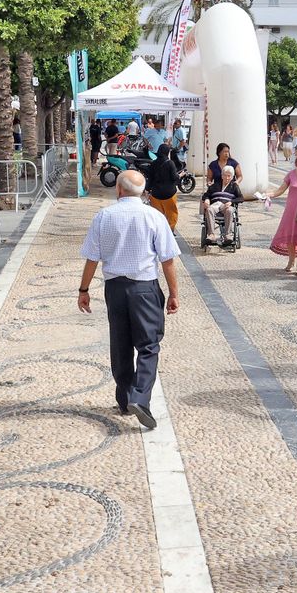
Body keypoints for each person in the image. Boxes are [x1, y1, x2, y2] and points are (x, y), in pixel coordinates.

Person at [79, 170, 181, 431]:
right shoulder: (154, 217)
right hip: (145, 287)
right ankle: (139, 397)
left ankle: (125, 401)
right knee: (148, 345)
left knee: (121, 344)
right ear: (143, 191)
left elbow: (92, 257)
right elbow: (167, 259)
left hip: (114, 288)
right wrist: (173, 293)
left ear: (119, 190)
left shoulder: (104, 216)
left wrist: (84, 289)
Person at [203, 165, 244, 248]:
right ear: (222, 176)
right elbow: (206, 195)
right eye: (225, 175)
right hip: (216, 205)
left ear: (232, 177)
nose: (227, 177)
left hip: (227, 206)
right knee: (209, 209)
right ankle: (211, 234)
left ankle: (228, 235)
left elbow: (241, 198)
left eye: (229, 176)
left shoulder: (234, 186)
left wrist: (231, 202)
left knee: (229, 210)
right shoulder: (214, 186)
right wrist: (207, 199)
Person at [145, 141, 180, 232]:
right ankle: (169, 231)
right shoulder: (170, 163)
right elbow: (174, 177)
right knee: (171, 214)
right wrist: (180, 176)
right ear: (167, 152)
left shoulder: (153, 163)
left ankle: (158, 231)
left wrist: (147, 190)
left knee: (157, 215)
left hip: (156, 194)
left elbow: (150, 178)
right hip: (169, 194)